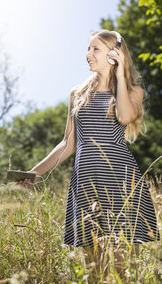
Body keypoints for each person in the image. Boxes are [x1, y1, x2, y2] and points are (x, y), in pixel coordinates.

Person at [16, 29, 160, 280]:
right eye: (88, 49)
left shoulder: (132, 91)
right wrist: (34, 172)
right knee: (92, 268)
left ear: (115, 54)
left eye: (95, 49)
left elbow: (124, 117)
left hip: (120, 183)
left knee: (122, 269)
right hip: (85, 185)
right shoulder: (77, 94)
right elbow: (67, 144)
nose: (87, 55)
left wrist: (120, 74)